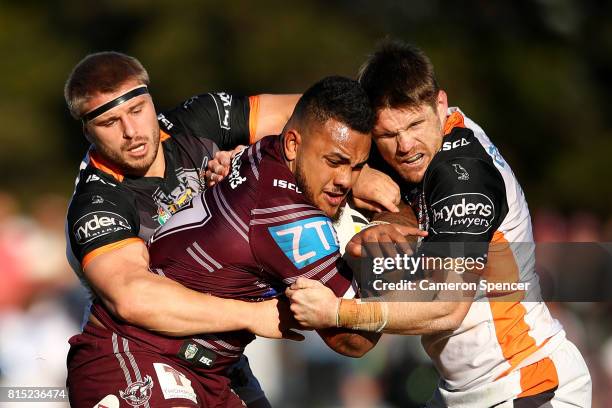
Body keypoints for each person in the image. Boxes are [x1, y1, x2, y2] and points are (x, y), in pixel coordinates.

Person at [66, 75, 415, 407]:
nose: (343, 180)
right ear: (293, 143)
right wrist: (385, 257)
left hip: (213, 368)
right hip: (134, 355)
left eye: (355, 166)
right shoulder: (287, 217)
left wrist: (366, 172)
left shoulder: (260, 149)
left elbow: (310, 108)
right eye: (334, 162)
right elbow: (353, 340)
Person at [286, 40, 592, 407]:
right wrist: (239, 156)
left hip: (525, 383)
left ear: (440, 104)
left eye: (415, 124)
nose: (405, 146)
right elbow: (312, 120)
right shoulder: (410, 147)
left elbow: (447, 308)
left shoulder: (462, 177)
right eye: (387, 135)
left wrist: (338, 311)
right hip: (462, 392)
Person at [63, 51, 303, 408]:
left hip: (219, 359)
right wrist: (254, 316)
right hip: (137, 352)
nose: (131, 132)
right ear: (87, 131)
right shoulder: (96, 202)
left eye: (136, 110)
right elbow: (133, 298)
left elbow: (313, 117)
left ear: (150, 98)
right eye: (110, 122)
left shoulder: (195, 122)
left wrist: (253, 160)